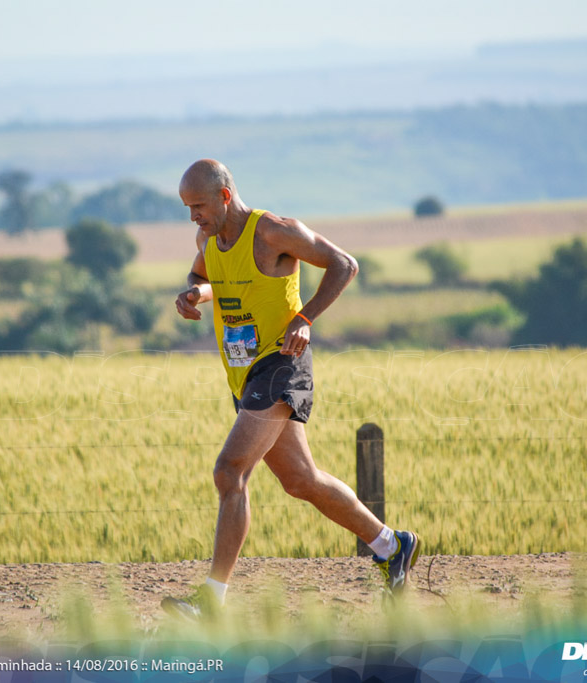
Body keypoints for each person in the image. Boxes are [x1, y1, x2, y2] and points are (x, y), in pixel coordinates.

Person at [161, 159, 421, 620]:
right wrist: (192, 296)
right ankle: (391, 544)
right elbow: (203, 277)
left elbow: (345, 264)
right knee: (301, 480)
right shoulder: (208, 239)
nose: (192, 217)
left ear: (224, 196)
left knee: (229, 472)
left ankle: (211, 603)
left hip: (282, 364)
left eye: (198, 205)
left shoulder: (273, 233)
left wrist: (304, 319)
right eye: (187, 208)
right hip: (243, 372)